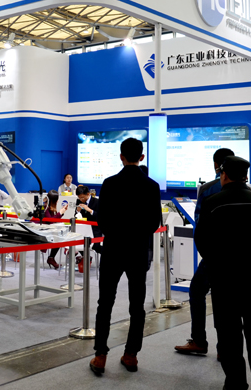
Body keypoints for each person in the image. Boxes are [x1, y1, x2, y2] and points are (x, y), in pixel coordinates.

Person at [196, 156, 251, 390]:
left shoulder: (213, 203)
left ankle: (235, 384)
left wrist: (215, 264)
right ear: (246, 176)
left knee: (228, 333)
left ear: (223, 175)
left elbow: (202, 240)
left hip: (224, 279)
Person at [89, 138, 161, 375]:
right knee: (137, 305)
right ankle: (131, 355)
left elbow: (101, 220)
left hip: (113, 249)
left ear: (121, 157)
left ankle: (100, 355)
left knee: (105, 303)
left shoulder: (109, 183)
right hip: (138, 251)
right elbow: (154, 223)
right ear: (142, 157)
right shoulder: (151, 186)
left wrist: (116, 233)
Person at [174, 148, 235, 356]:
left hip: (214, 255)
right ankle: (224, 347)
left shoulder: (208, 189)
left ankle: (199, 340)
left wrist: (206, 252)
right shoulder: (249, 191)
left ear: (216, 165)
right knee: (226, 297)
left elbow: (200, 225)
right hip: (238, 255)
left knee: (197, 291)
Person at [41, 190, 66, 269]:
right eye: (57, 200)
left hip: (48, 231)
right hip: (42, 232)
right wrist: (60, 213)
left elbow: (53, 220)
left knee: (60, 235)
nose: (58, 201)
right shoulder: (45, 207)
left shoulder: (48, 207)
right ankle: (52, 258)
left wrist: (61, 213)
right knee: (59, 237)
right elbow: (51, 221)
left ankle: (51, 258)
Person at [75, 184, 101, 258]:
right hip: (83, 228)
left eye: (82, 197)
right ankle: (86, 258)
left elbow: (100, 216)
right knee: (77, 243)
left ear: (88, 194)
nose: (81, 199)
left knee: (96, 247)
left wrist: (90, 210)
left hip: (94, 229)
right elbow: (76, 216)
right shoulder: (78, 201)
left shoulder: (97, 201)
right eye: (79, 197)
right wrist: (77, 211)